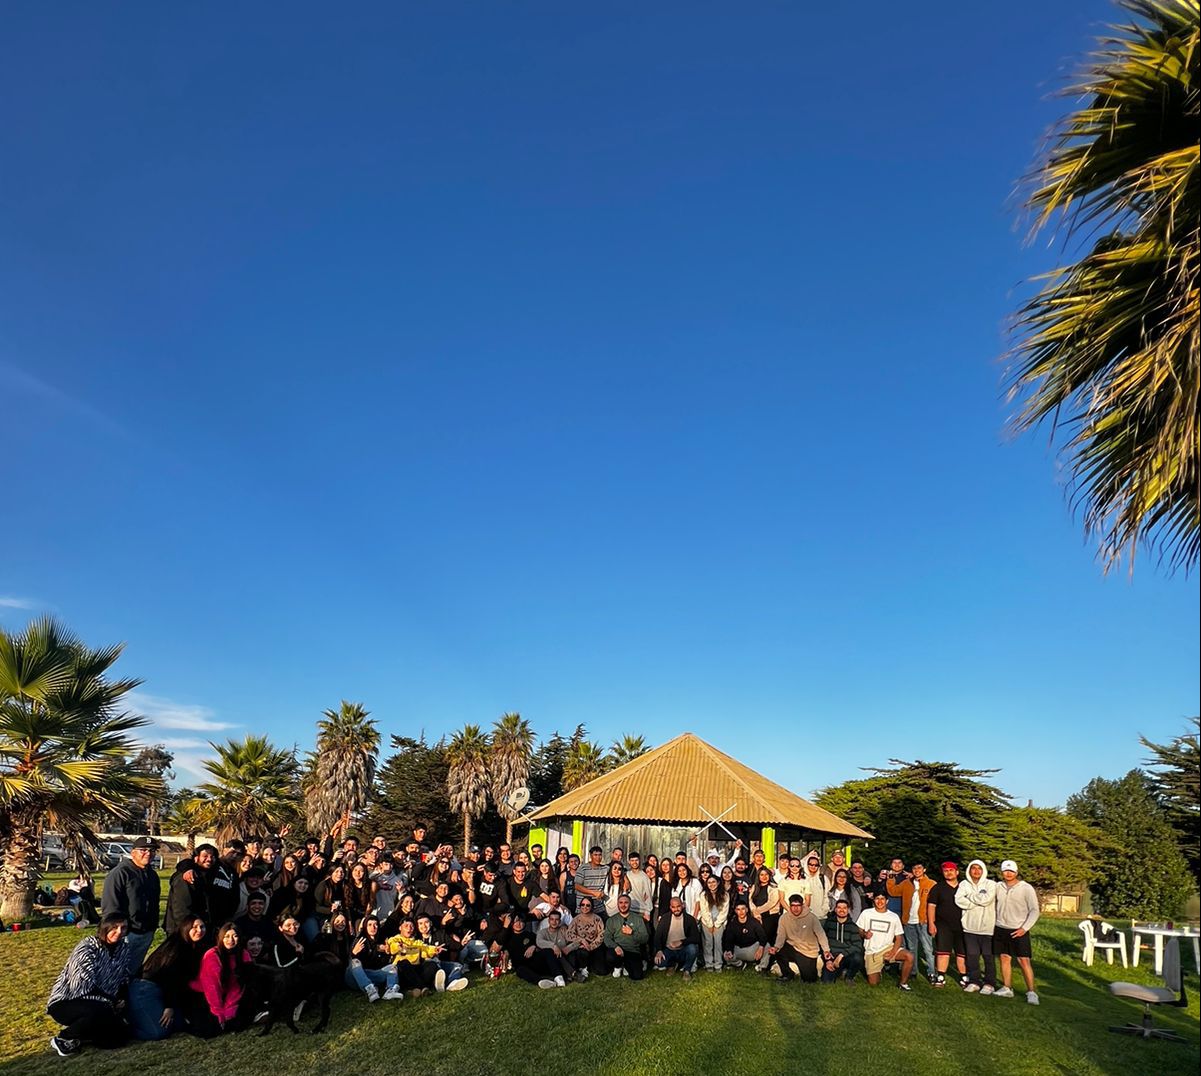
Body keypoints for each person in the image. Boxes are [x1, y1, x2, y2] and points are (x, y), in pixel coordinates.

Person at [47, 914, 134, 1056]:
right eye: (114, 928)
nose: (119, 932)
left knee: (119, 1038)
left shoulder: (123, 949)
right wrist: (111, 1000)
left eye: (123, 928)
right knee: (100, 1011)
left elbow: (123, 976)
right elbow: (81, 986)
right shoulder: (88, 948)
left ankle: (84, 1034)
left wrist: (121, 997)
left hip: (105, 1002)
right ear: (105, 927)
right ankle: (65, 1037)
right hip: (69, 1001)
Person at [130, 916, 209, 1040]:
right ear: (185, 928)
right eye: (194, 927)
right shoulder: (176, 947)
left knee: (179, 1024)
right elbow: (170, 978)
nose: (199, 930)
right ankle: (126, 1027)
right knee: (158, 1032)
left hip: (163, 991)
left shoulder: (194, 947)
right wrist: (169, 1006)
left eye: (202, 926)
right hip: (146, 988)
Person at [99, 836, 161, 972]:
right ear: (133, 852)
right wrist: (118, 931)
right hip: (126, 934)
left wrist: (152, 925)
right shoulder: (120, 873)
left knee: (134, 971)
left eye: (152, 850)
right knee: (116, 971)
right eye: (143, 850)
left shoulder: (152, 875)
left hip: (146, 932)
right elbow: (110, 906)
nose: (148, 853)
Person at [189, 921, 257, 1034]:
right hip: (206, 995)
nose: (231, 940)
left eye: (235, 936)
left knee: (235, 1021)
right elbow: (212, 987)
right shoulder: (212, 955)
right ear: (221, 937)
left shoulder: (244, 954)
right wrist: (219, 1013)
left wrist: (229, 1010)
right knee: (209, 1029)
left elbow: (239, 986)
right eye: (226, 936)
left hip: (231, 995)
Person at [993, 859, 1040, 1004]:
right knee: (1004, 958)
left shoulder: (1026, 888)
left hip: (1019, 929)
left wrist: (1024, 928)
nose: (1008, 873)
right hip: (1001, 928)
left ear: (1016, 872)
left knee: (1023, 960)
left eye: (1011, 871)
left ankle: (1031, 992)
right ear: (1002, 872)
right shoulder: (998, 887)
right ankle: (1007, 987)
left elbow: (1034, 910)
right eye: (1006, 871)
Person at [887, 861, 936, 980]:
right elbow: (893, 891)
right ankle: (913, 971)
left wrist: (931, 921)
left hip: (923, 920)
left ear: (924, 870)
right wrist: (891, 878)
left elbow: (935, 903)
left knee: (927, 948)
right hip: (909, 921)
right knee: (911, 948)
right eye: (914, 868)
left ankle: (932, 973)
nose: (917, 870)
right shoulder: (906, 883)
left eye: (919, 868)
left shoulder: (931, 884)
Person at [955, 859, 997, 994]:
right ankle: (974, 981)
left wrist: (970, 896)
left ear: (983, 870)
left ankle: (989, 983)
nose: (976, 871)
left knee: (988, 956)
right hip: (969, 926)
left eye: (979, 868)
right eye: (973, 868)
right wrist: (973, 902)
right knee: (972, 956)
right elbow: (959, 900)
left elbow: (986, 900)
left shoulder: (991, 884)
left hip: (987, 927)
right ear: (969, 870)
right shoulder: (964, 884)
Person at [856, 892, 913, 990]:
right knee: (873, 983)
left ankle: (903, 983)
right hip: (872, 952)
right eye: (877, 898)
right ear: (873, 900)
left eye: (882, 899)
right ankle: (879, 971)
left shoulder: (893, 916)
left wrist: (892, 953)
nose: (880, 901)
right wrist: (865, 934)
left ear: (887, 901)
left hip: (888, 948)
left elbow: (899, 937)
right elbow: (859, 930)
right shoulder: (866, 913)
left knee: (909, 956)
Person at [770, 894, 831, 983]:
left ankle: (817, 962)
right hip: (792, 947)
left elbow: (821, 934)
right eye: (793, 906)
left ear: (802, 905)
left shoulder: (812, 917)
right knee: (779, 950)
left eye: (798, 906)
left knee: (809, 980)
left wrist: (826, 950)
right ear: (790, 906)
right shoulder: (784, 918)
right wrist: (776, 947)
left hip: (808, 951)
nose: (796, 908)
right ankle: (787, 974)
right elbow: (781, 936)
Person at [927, 861, 968, 988]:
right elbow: (931, 906)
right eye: (946, 871)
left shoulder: (964, 887)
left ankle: (964, 976)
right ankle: (941, 976)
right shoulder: (938, 888)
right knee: (943, 952)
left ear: (956, 872)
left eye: (951, 870)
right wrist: (931, 923)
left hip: (963, 925)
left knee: (962, 952)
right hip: (943, 924)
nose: (948, 873)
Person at [346, 916, 405, 1001]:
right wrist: (353, 953)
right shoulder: (360, 940)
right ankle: (369, 990)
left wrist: (387, 954)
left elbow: (382, 965)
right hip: (354, 977)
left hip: (370, 975)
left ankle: (390, 990)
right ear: (365, 926)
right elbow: (351, 963)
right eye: (369, 925)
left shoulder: (382, 941)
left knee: (392, 967)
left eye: (375, 924)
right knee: (355, 962)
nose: (373, 927)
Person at [653, 896, 700, 978]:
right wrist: (659, 950)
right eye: (673, 907)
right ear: (670, 907)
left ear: (682, 905)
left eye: (678, 906)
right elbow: (657, 937)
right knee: (659, 963)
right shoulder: (665, 919)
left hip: (683, 949)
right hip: (669, 949)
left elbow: (696, 938)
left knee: (693, 948)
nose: (676, 909)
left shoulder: (689, 919)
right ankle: (671, 965)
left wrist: (681, 942)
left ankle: (687, 970)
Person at [603, 893, 648, 979]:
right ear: (617, 904)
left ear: (630, 904)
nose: (623, 905)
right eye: (621, 902)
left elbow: (645, 938)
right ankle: (618, 966)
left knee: (637, 976)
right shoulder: (611, 920)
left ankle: (627, 965)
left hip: (633, 950)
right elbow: (607, 938)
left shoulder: (638, 919)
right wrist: (615, 947)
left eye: (626, 903)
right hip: (618, 950)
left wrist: (632, 933)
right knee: (610, 957)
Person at [822, 898, 865, 983]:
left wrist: (842, 955)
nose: (842, 910)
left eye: (844, 908)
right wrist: (828, 960)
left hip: (846, 956)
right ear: (835, 909)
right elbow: (823, 942)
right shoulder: (829, 924)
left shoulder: (853, 926)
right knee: (827, 981)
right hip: (832, 956)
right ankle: (840, 972)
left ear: (848, 910)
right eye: (839, 907)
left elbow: (857, 946)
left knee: (857, 958)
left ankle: (849, 977)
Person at [564, 897, 607, 979]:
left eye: (588, 905)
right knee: (582, 953)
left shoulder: (597, 919)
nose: (585, 907)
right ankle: (583, 968)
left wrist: (590, 946)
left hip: (595, 946)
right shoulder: (576, 919)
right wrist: (582, 940)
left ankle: (591, 965)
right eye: (582, 905)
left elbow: (601, 935)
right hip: (581, 947)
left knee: (602, 972)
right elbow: (569, 934)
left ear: (592, 907)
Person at [534, 909, 577, 987]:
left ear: (560, 921)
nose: (554, 922)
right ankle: (572, 973)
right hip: (549, 962)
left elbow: (575, 941)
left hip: (562, 959)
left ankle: (569, 975)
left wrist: (567, 948)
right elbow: (539, 942)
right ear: (548, 921)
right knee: (550, 952)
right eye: (552, 919)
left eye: (557, 920)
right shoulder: (542, 932)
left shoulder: (563, 930)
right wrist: (554, 946)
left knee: (571, 952)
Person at [722, 901, 768, 970]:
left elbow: (762, 936)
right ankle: (740, 964)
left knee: (767, 946)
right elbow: (729, 940)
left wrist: (761, 948)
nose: (741, 912)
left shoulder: (754, 922)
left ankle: (762, 967)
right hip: (739, 950)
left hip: (753, 950)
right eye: (738, 909)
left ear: (746, 910)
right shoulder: (732, 924)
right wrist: (729, 950)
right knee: (726, 955)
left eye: (743, 909)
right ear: (735, 911)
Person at [697, 875, 730, 971]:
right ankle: (709, 964)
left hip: (719, 922)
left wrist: (716, 924)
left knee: (718, 942)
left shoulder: (725, 894)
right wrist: (710, 924)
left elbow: (724, 911)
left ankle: (718, 964)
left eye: (713, 882)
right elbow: (704, 911)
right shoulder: (703, 895)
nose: (711, 884)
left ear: (718, 882)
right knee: (708, 943)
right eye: (709, 882)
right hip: (707, 921)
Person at [575, 847, 609, 918]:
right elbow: (577, 886)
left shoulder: (605, 868)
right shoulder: (583, 868)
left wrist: (625, 878)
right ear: (590, 856)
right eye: (595, 855)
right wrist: (593, 892)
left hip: (598, 907)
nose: (598, 857)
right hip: (584, 907)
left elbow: (617, 869)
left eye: (600, 855)